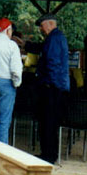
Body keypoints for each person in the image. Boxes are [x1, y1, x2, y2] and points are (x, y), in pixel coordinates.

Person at [33, 13, 69, 164]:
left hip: (51, 88)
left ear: (49, 24)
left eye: (41, 26)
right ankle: (49, 153)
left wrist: (51, 84)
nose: (41, 29)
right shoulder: (56, 37)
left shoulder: (53, 38)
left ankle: (48, 155)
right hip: (56, 86)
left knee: (48, 121)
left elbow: (52, 62)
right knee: (50, 122)